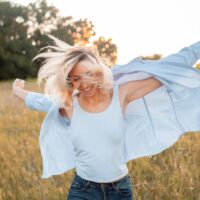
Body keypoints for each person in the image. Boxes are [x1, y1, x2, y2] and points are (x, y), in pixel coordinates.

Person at [12, 35, 200, 200]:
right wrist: (16, 90)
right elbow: (37, 100)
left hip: (120, 191)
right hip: (83, 190)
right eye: (77, 78)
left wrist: (197, 49)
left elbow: (168, 67)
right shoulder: (69, 105)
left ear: (99, 70)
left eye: (89, 74)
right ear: (70, 81)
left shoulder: (121, 94)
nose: (84, 83)